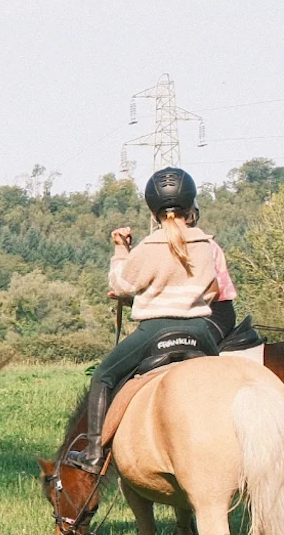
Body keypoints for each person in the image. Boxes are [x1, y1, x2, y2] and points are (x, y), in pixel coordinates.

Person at [61, 166, 225, 473]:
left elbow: (120, 284)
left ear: (153, 209)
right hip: (202, 332)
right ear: (191, 204)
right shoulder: (205, 244)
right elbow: (214, 290)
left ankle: (94, 454)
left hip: (156, 331)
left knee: (103, 377)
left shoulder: (150, 246)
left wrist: (120, 249)